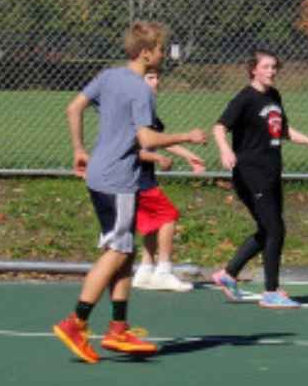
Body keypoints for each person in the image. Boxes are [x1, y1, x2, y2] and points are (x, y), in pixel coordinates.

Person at [54, 21, 206, 364]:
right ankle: (76, 322)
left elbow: (73, 108)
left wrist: (79, 148)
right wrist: (187, 136)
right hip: (119, 180)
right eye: (159, 49)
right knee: (116, 251)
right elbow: (147, 140)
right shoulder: (141, 90)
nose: (163, 54)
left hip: (99, 176)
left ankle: (118, 327)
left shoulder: (108, 77)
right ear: (144, 53)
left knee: (124, 249)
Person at [210, 49, 308, 309]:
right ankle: (271, 291)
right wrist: (225, 150)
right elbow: (219, 127)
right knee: (275, 229)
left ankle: (228, 274)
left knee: (268, 229)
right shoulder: (245, 98)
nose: (271, 71)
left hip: (272, 172)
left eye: (274, 67)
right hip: (251, 175)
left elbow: (282, 129)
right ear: (254, 69)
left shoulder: (274, 96)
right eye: (266, 67)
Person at [133, 68, 206, 293]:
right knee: (168, 216)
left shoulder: (148, 109)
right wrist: (155, 156)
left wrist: (188, 155)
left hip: (142, 177)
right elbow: (129, 148)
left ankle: (145, 271)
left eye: (157, 77)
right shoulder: (136, 107)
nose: (156, 82)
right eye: (150, 78)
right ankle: (163, 271)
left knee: (152, 224)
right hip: (134, 177)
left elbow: (159, 140)